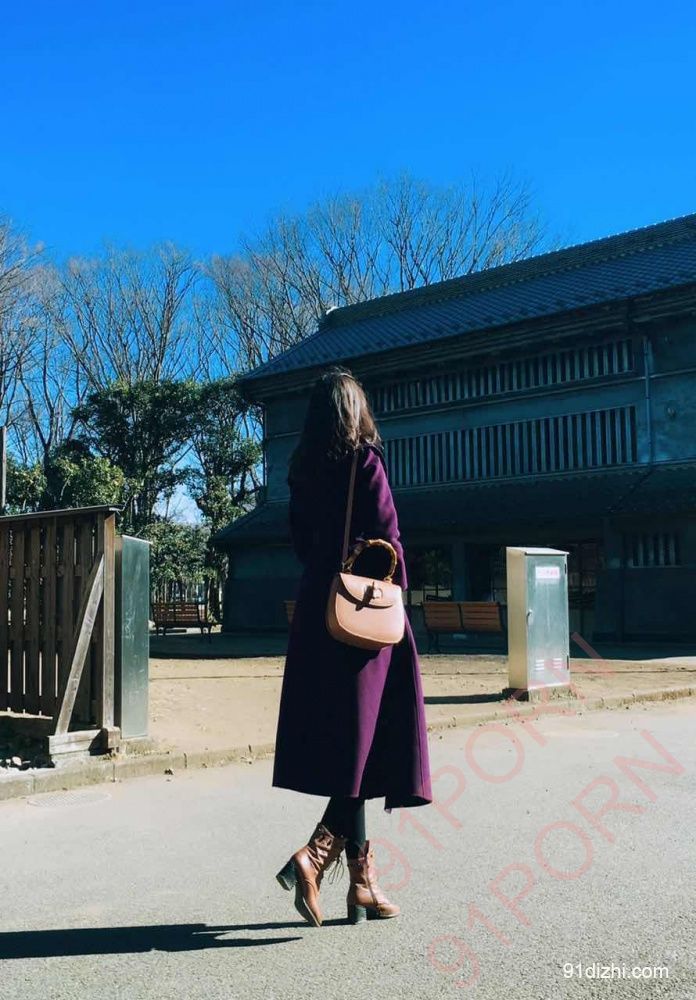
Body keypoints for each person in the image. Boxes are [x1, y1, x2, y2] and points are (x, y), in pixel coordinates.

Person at [272, 366, 433, 927]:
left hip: (320, 614)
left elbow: (300, 544)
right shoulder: (364, 462)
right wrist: (395, 587)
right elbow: (389, 535)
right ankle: (316, 856)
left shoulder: (301, 470)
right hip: (365, 617)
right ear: (355, 410)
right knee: (370, 741)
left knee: (353, 747)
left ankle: (362, 882)